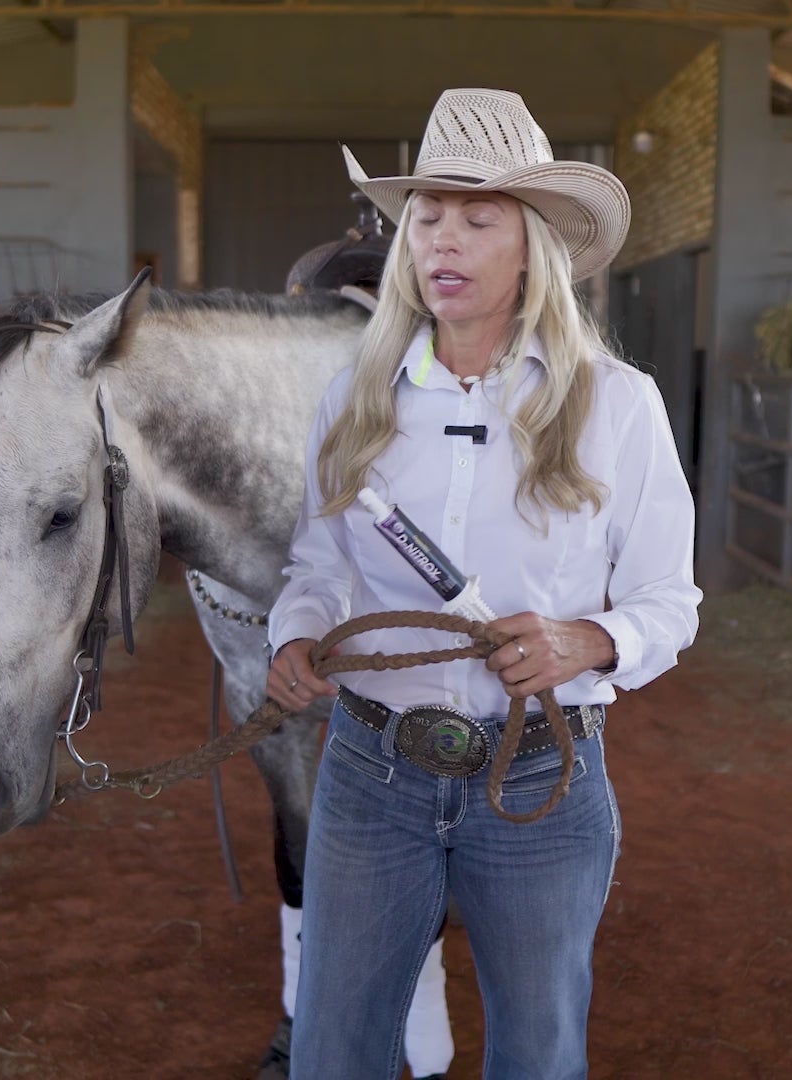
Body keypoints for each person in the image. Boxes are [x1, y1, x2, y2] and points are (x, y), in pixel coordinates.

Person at [264, 88, 701, 1080]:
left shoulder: (619, 407)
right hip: (372, 773)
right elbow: (319, 565)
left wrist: (582, 643)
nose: (442, 241)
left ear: (532, 241)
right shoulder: (356, 400)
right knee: (333, 1054)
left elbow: (668, 604)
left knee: (539, 1055)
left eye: (477, 216)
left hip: (542, 775)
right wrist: (295, 637)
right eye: (425, 217)